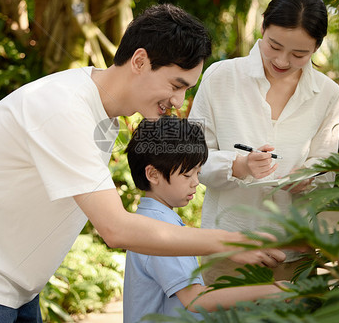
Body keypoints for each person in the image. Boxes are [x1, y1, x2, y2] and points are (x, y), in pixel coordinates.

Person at [0, 3, 286, 322]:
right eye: (176, 85)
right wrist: (234, 241)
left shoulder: (103, 113)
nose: (179, 101)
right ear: (140, 60)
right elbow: (117, 229)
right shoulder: (65, 109)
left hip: (14, 277)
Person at [188, 0, 339, 284]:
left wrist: (310, 176)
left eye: (299, 54)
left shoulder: (327, 94)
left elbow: (327, 169)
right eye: (274, 45)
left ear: (316, 48)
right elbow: (192, 160)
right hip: (228, 250)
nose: (283, 61)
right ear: (262, 28)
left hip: (294, 253)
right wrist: (238, 166)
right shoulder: (220, 77)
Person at [123, 116, 287, 322]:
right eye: (187, 175)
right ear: (153, 174)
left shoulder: (153, 218)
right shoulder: (160, 228)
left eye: (198, 173)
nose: (196, 183)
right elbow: (196, 299)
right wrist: (274, 290)